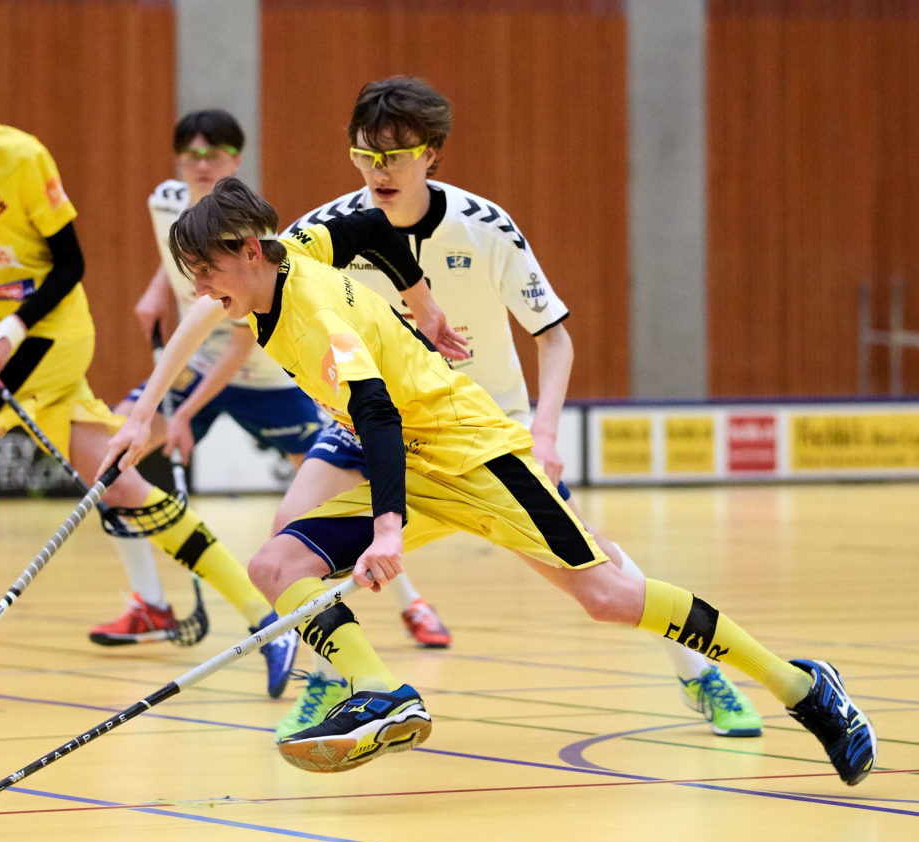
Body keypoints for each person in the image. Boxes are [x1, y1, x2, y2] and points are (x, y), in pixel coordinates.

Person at [102, 175, 876, 786]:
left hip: (476, 453)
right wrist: (420, 300)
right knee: (277, 564)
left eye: (206, 273)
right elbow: (372, 228)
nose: (201, 291)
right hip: (413, 459)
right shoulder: (294, 247)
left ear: (246, 250)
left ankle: (804, 687)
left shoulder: (308, 310)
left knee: (607, 594)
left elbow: (371, 409)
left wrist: (386, 530)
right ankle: (380, 690)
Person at [270, 76, 763, 740]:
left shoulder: (483, 226)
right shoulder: (323, 231)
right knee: (289, 537)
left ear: (433, 152)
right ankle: (331, 681)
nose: (379, 171)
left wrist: (546, 430)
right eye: (365, 154)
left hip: (487, 424)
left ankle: (701, 671)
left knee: (598, 564)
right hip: (374, 421)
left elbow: (554, 338)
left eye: (396, 154)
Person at [0, 23, 296, 699]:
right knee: (122, 488)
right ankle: (268, 620)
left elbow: (72, 263)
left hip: (48, 336)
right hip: (9, 342)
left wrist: (15, 327)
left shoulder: (23, 158)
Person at [88, 109, 328, 646]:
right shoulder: (165, 201)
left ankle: (411, 603)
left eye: (214, 154)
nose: (202, 164)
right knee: (112, 452)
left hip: (264, 373)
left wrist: (186, 415)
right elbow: (182, 246)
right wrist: (157, 286)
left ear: (236, 160)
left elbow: (245, 336)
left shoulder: (253, 229)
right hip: (197, 362)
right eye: (191, 154)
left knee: (331, 493)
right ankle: (150, 605)